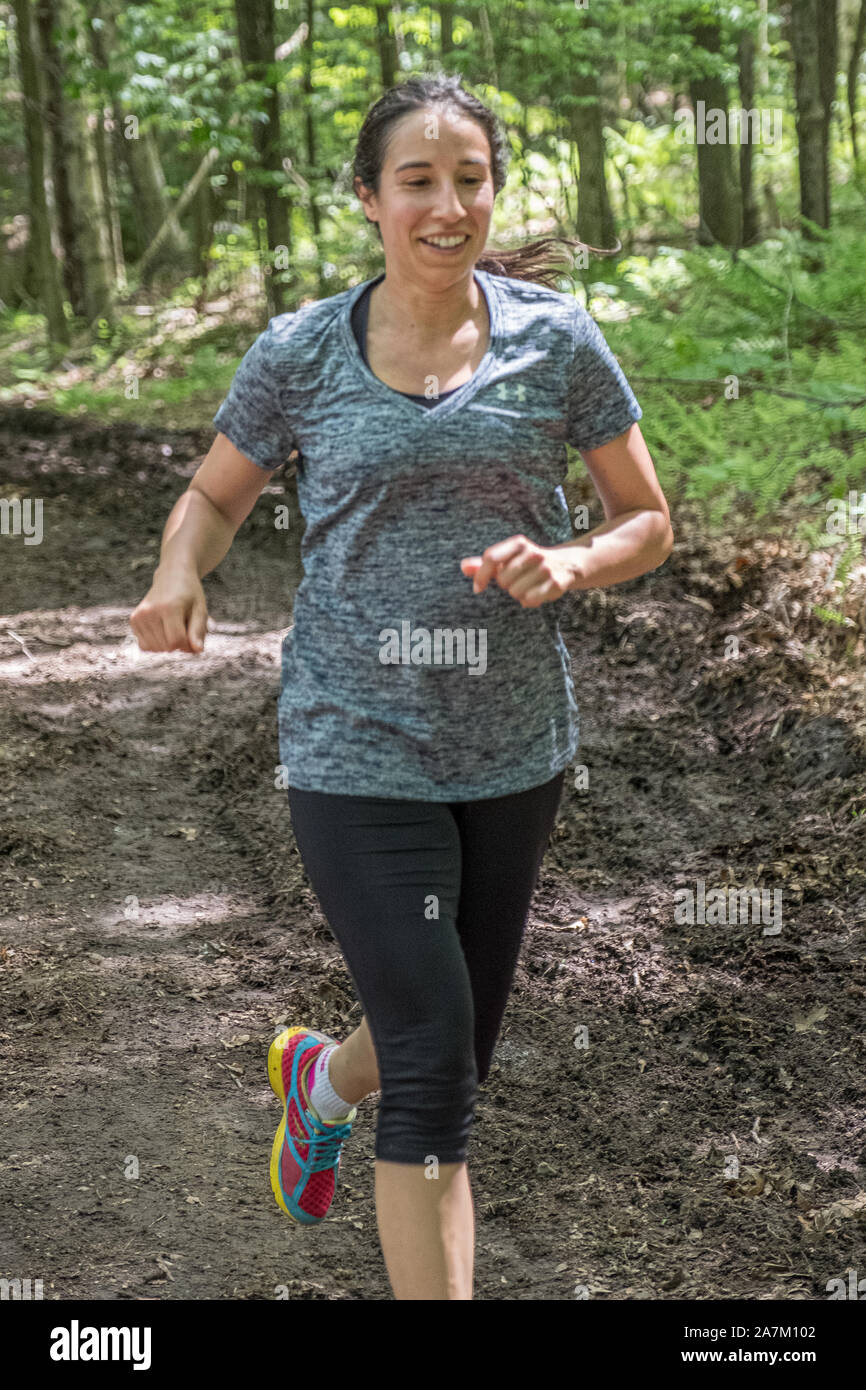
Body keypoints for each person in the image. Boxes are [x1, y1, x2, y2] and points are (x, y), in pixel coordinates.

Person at [129, 73, 673, 1301]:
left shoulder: (556, 339)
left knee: (455, 1040)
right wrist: (177, 569)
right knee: (433, 1066)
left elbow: (644, 520)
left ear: (492, 189)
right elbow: (217, 495)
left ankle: (319, 1082)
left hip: (512, 744)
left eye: (469, 178)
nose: (447, 204)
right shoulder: (301, 350)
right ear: (368, 200)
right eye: (416, 181)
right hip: (350, 740)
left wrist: (573, 559)